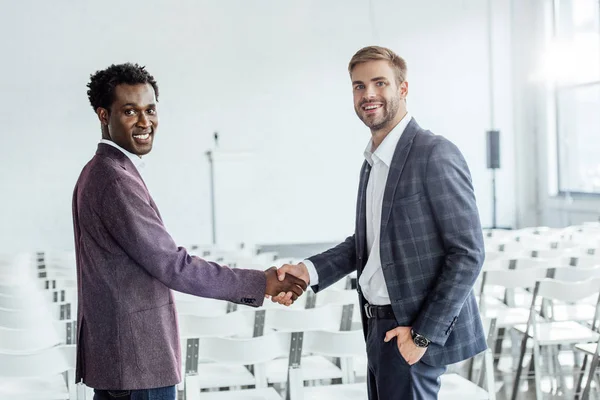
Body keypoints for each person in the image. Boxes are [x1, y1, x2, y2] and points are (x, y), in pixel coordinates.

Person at [72, 63, 307, 400]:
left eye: (150, 109)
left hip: (121, 358)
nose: (144, 121)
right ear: (103, 115)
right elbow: (172, 265)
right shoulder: (113, 179)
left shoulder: (101, 171)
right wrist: (262, 282)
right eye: (129, 111)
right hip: (138, 360)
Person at [273, 46, 486, 399]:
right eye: (358, 86)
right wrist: (307, 271)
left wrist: (421, 335)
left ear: (402, 89)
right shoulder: (372, 161)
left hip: (411, 328)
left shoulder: (434, 153)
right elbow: (367, 243)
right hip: (377, 326)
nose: (368, 94)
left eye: (379, 83)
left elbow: (468, 253)